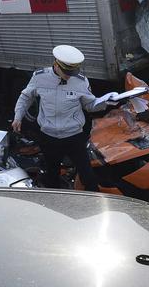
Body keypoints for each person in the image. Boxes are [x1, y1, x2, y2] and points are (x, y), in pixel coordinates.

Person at [12, 45, 113, 191]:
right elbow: (26, 97)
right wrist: (18, 116)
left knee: (88, 176)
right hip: (49, 136)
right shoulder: (40, 77)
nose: (69, 75)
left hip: (74, 136)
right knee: (52, 175)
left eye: (72, 71)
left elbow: (90, 105)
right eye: (66, 71)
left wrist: (106, 102)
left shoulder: (80, 81)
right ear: (56, 64)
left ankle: (96, 204)